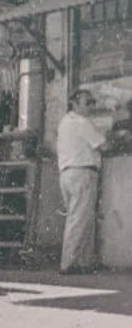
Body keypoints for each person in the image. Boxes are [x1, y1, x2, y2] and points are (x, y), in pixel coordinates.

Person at [56, 89, 106, 275]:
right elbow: (103, 145)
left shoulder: (65, 122)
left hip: (67, 174)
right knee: (78, 219)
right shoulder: (82, 122)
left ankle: (85, 262)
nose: (91, 106)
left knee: (82, 218)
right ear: (75, 104)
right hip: (82, 173)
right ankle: (68, 263)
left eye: (92, 102)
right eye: (87, 102)